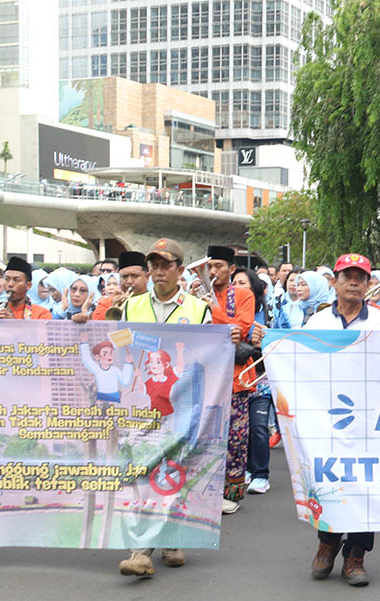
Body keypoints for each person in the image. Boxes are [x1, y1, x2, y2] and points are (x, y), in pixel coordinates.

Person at [304, 253, 380, 586]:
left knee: (367, 484)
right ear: (334, 282)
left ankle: (356, 554)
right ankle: (327, 541)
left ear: (367, 284)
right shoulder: (317, 322)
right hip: (327, 417)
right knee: (329, 479)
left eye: (360, 277)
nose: (353, 282)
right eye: (347, 276)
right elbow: (299, 360)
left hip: (368, 418)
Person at [117, 237, 214, 579]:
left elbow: (208, 354)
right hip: (144, 404)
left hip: (181, 404)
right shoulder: (131, 306)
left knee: (173, 470)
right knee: (144, 471)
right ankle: (142, 551)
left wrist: (226, 339)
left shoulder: (198, 309)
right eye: (154, 266)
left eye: (165, 265)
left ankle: (170, 537)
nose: (159, 272)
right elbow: (120, 345)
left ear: (180, 270)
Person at [205, 245, 256, 515]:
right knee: (205, 436)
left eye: (218, 266)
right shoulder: (195, 296)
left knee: (235, 439)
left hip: (236, 377)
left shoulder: (244, 294)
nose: (213, 271)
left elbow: (242, 329)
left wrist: (213, 310)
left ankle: (231, 492)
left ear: (231, 269)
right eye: (209, 267)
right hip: (206, 375)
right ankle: (205, 489)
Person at [233, 267, 273, 495]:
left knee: (258, 427)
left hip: (261, 380)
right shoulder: (228, 311)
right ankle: (245, 468)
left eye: (242, 283)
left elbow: (277, 343)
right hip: (237, 380)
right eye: (234, 283)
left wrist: (262, 341)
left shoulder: (267, 313)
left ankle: (261, 475)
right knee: (241, 429)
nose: (237, 288)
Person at [0, 256, 52, 320]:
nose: (10, 284)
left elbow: (40, 336)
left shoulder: (41, 314)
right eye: (6, 279)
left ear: (28, 285)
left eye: (16, 280)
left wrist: (13, 323)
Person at [92, 250, 149, 320]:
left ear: (147, 277)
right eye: (124, 277)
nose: (129, 281)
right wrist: (112, 306)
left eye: (135, 276)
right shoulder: (106, 302)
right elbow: (98, 324)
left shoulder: (155, 300)